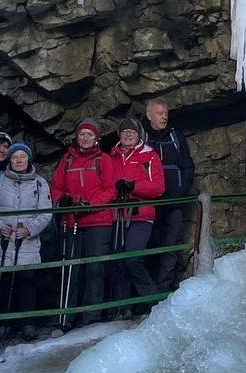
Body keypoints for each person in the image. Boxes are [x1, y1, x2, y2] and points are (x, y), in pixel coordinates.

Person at [49, 118, 118, 327]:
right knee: (72, 269)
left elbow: (111, 189)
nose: (85, 138)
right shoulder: (66, 160)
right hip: (71, 221)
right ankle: (67, 316)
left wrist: (91, 204)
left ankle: (92, 317)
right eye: (82, 134)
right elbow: (55, 186)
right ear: (76, 137)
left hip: (97, 221)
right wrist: (64, 200)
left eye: (90, 134)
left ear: (97, 138)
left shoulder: (103, 160)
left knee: (95, 268)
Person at [0, 143, 52, 337]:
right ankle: (2, 323)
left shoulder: (40, 183)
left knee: (27, 282)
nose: (19, 160)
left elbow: (46, 212)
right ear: (10, 159)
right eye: (15, 157)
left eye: (23, 156)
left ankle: (27, 323)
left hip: (27, 242)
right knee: (3, 282)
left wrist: (30, 229)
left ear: (29, 159)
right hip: (2, 242)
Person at [106, 118, 166, 312]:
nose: (128, 134)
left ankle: (152, 300)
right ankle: (122, 307)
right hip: (117, 215)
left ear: (139, 134)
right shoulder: (112, 156)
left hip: (140, 214)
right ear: (119, 135)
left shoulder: (148, 156)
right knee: (118, 261)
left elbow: (158, 187)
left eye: (132, 131)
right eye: (124, 132)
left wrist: (134, 187)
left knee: (133, 258)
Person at [140, 100, 198, 291]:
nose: (164, 116)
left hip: (174, 200)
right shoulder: (142, 138)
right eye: (160, 113)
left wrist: (182, 190)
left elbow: (188, 166)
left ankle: (163, 289)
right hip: (149, 202)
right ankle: (147, 291)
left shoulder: (176, 138)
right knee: (148, 245)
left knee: (170, 245)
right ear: (149, 116)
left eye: (166, 113)